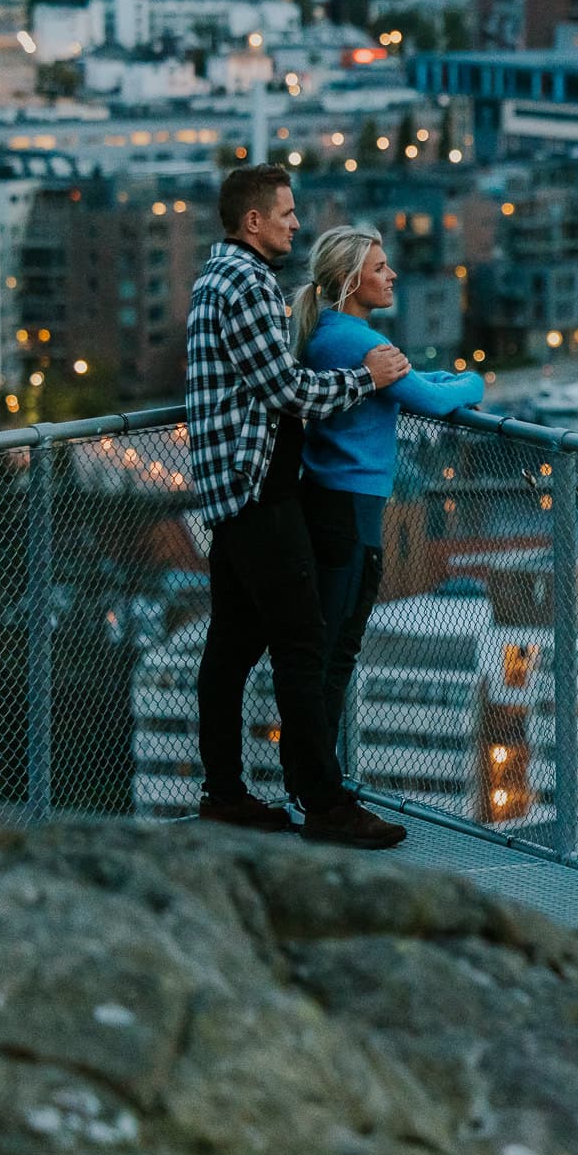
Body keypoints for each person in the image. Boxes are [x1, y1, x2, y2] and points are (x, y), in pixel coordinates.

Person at [185, 166, 411, 848]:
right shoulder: (247, 283)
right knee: (303, 643)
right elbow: (286, 390)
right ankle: (324, 801)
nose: (294, 224)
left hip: (232, 492)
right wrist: (366, 377)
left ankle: (225, 795)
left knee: (231, 648)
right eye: (284, 213)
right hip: (258, 491)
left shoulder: (214, 278)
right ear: (252, 220)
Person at [293, 225, 485, 771]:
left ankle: (315, 777)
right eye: (380, 268)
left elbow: (410, 379)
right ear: (350, 280)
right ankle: (318, 781)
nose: (392, 275)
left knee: (328, 648)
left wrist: (437, 378)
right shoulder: (356, 342)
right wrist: (472, 382)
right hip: (352, 511)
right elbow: (433, 400)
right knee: (337, 652)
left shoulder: (329, 332)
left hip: (330, 503)